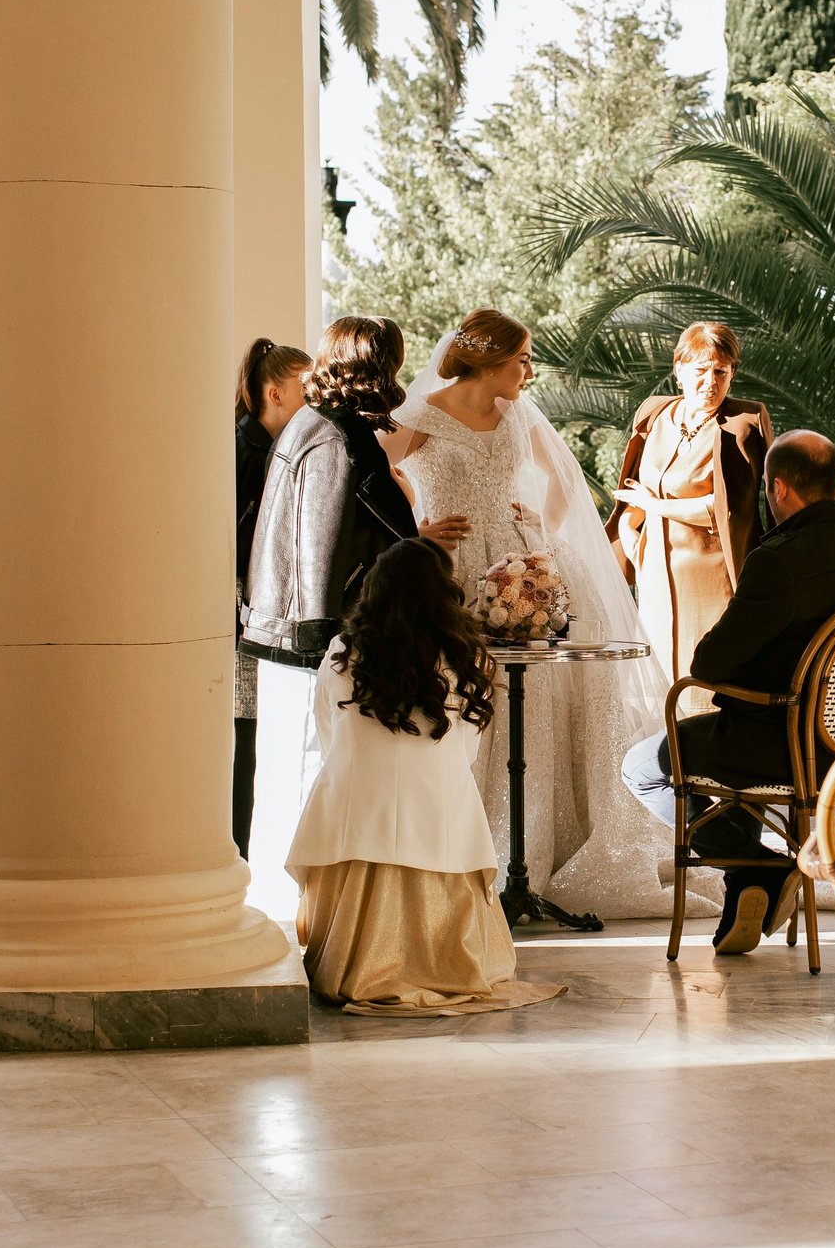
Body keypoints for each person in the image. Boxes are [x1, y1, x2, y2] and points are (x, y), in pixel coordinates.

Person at [389, 309, 680, 917]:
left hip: (523, 569)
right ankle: (464, 852)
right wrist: (415, 529)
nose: (528, 371)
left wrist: (540, 529)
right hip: (452, 572)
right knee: (467, 698)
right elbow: (372, 477)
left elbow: (564, 481)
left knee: (535, 703)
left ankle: (532, 848)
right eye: (522, 360)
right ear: (491, 360)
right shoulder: (419, 415)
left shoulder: (518, 414)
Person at [621, 430, 835, 954]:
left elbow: (710, 664)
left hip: (773, 747)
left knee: (641, 768)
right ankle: (747, 881)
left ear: (777, 489)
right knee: (728, 763)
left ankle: (758, 867)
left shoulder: (777, 560)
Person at [287, 539, 567, 1016]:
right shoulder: (466, 655)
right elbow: (468, 748)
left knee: (343, 783)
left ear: (376, 589)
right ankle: (446, 963)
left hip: (357, 806)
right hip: (438, 805)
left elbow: (327, 730)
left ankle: (355, 964)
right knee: (446, 786)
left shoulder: (343, 652)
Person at [242, 317, 466, 910]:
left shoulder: (309, 424)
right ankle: (305, 913)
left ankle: (290, 909)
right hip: (318, 633)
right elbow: (365, 545)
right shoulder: (345, 438)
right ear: (379, 365)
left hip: (283, 625)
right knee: (314, 772)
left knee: (289, 773)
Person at [611, 322, 771, 699]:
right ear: (679, 370)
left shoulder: (742, 424)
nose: (710, 382)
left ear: (732, 374)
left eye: (721, 371)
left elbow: (728, 508)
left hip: (712, 583)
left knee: (704, 693)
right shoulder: (655, 414)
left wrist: (656, 506)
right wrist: (632, 538)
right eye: (700, 370)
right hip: (654, 584)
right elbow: (636, 491)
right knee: (656, 696)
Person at [233, 337, 311, 857]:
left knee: (246, 742)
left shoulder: (264, 450)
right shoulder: (250, 455)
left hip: (248, 610)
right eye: (307, 389)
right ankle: (234, 855)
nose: (316, 401)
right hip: (235, 613)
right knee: (239, 741)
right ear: (274, 393)